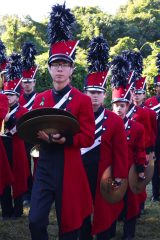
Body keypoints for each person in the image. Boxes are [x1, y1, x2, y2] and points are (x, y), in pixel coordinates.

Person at [28, 3, 95, 240]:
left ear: (71, 69)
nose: (59, 69)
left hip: (69, 165)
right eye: (55, 64)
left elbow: (88, 137)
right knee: (35, 221)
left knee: (70, 226)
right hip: (44, 164)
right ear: (48, 69)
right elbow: (31, 129)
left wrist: (63, 139)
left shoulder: (82, 100)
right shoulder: (40, 98)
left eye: (64, 65)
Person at [80, 38, 128, 240]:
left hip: (105, 173)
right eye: (91, 92)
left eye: (99, 93)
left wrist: (119, 175)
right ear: (84, 93)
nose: (95, 97)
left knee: (106, 211)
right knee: (81, 210)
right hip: (80, 171)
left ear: (105, 94)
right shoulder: (76, 116)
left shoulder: (114, 120)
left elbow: (120, 151)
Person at [111, 62, 146, 239]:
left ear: (128, 106)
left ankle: (129, 234)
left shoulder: (137, 128)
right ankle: (108, 230)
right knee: (110, 201)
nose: (119, 108)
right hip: (110, 171)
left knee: (131, 204)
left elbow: (140, 150)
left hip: (130, 170)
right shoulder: (106, 125)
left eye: (123, 105)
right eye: (116, 104)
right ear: (112, 105)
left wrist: (140, 170)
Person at [0, 55, 30, 219]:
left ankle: (17, 211)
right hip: (2, 146)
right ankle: (6, 210)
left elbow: (21, 127)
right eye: (7, 94)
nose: (8, 97)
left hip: (16, 146)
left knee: (18, 178)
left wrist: (10, 121)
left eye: (12, 95)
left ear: (18, 96)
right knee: (2, 178)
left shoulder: (23, 110)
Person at [19, 42, 38, 206]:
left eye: (29, 81)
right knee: (23, 165)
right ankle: (26, 192)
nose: (26, 84)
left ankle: (37, 191)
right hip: (21, 136)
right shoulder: (17, 99)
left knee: (38, 165)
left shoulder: (40, 98)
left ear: (34, 82)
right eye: (24, 81)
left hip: (37, 136)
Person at [145, 56, 160, 202]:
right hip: (156, 139)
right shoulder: (150, 103)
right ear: (155, 87)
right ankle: (156, 194)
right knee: (155, 167)